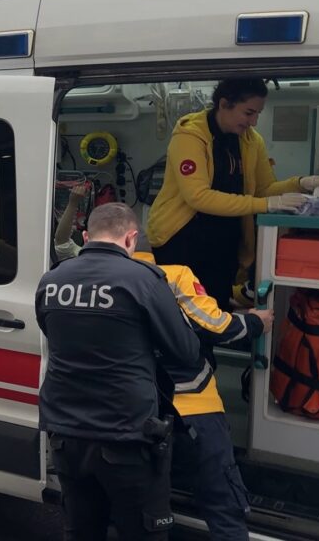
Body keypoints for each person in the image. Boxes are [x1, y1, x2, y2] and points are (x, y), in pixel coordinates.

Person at [36, 203, 202, 540]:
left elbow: (53, 333)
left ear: (86, 237)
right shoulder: (144, 280)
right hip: (126, 435)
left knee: (82, 532)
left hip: (67, 435)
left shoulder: (52, 280)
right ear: (131, 238)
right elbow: (185, 352)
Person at [132, 238, 271, 541]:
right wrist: (256, 323)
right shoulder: (175, 275)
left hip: (136, 413)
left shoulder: (104, 283)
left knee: (145, 510)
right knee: (223, 506)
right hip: (195, 410)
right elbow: (216, 326)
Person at [147, 78, 319, 310]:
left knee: (216, 310)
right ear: (224, 104)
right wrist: (267, 204)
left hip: (224, 241)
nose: (254, 122)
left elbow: (263, 190)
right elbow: (198, 197)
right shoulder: (190, 136)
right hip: (182, 240)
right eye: (249, 113)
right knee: (181, 315)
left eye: (258, 114)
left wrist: (299, 183)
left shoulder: (252, 141)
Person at [53, 182, 90, 261]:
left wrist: (73, 203)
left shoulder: (84, 255)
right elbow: (62, 242)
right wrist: (73, 203)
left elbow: (62, 243)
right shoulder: (84, 254)